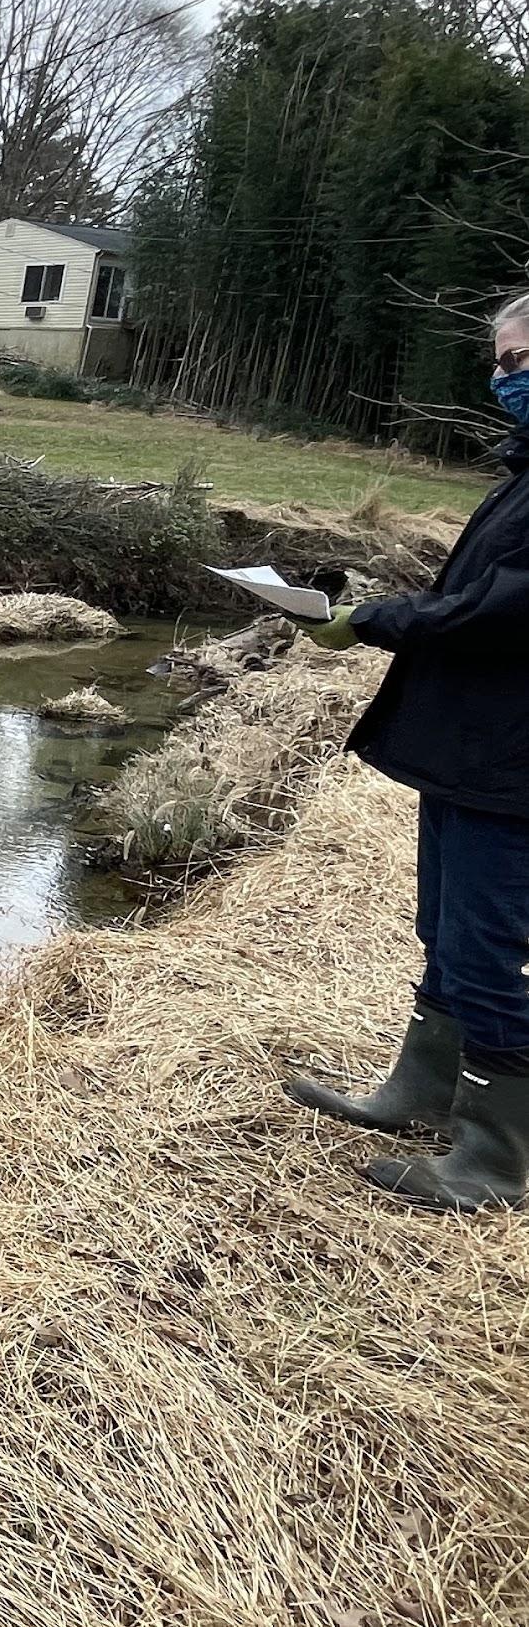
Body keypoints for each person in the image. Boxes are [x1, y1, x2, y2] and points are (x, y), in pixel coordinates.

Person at [285, 292, 529, 1211]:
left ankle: (493, 1159)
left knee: (489, 947)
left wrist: (373, 620)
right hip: (472, 750)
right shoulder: (524, 472)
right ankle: (423, 1091)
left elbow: (501, 611)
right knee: (448, 928)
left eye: (519, 360)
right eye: (501, 363)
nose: (505, 378)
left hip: (512, 764)